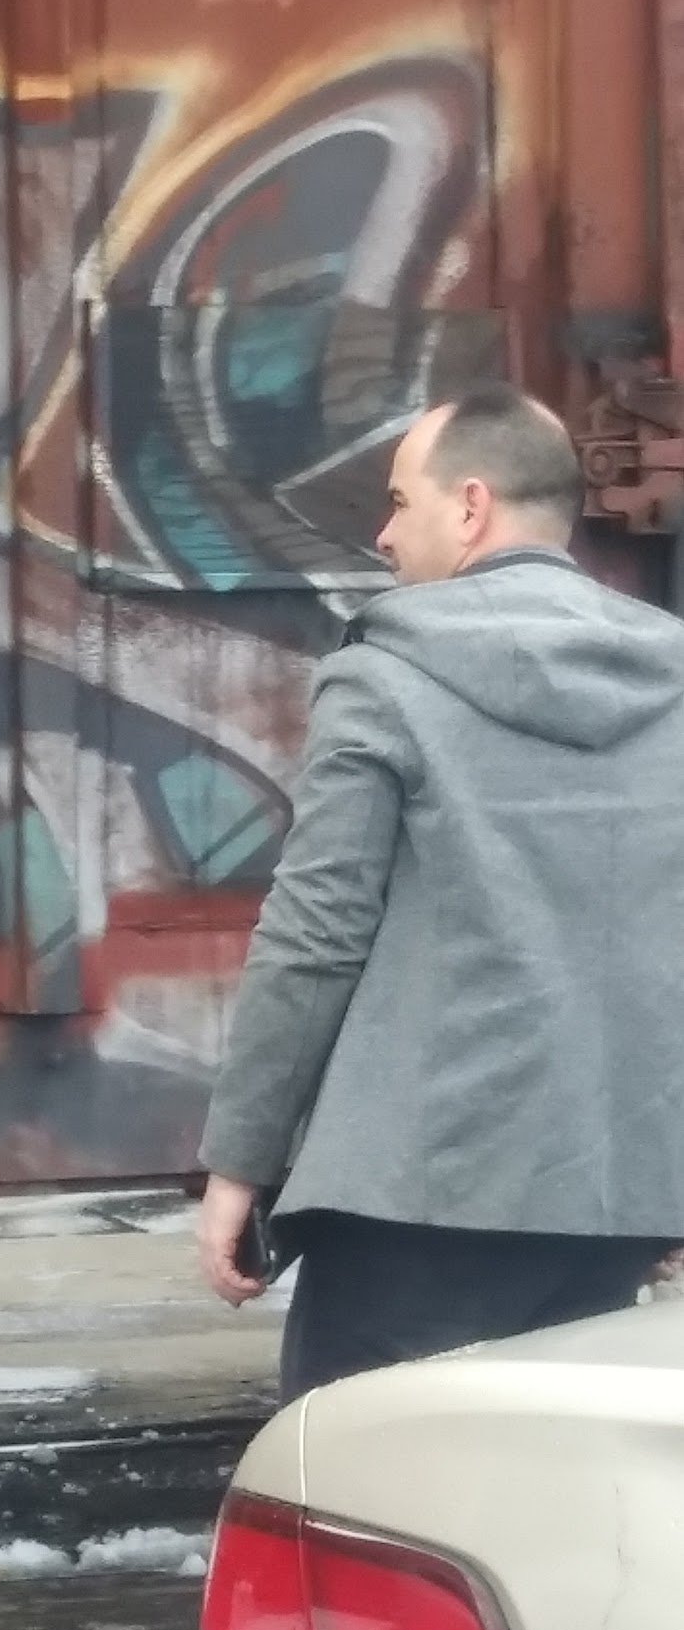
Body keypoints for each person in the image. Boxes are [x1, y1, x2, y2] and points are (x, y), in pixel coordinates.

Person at [196, 381, 684, 1402]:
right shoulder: (670, 672)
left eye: (398, 501)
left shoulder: (386, 673)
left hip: (417, 1195)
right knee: (554, 1477)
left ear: (470, 507)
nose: (383, 534)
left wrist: (241, 1162)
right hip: (613, 1203)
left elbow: (318, 931)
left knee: (359, 1475)